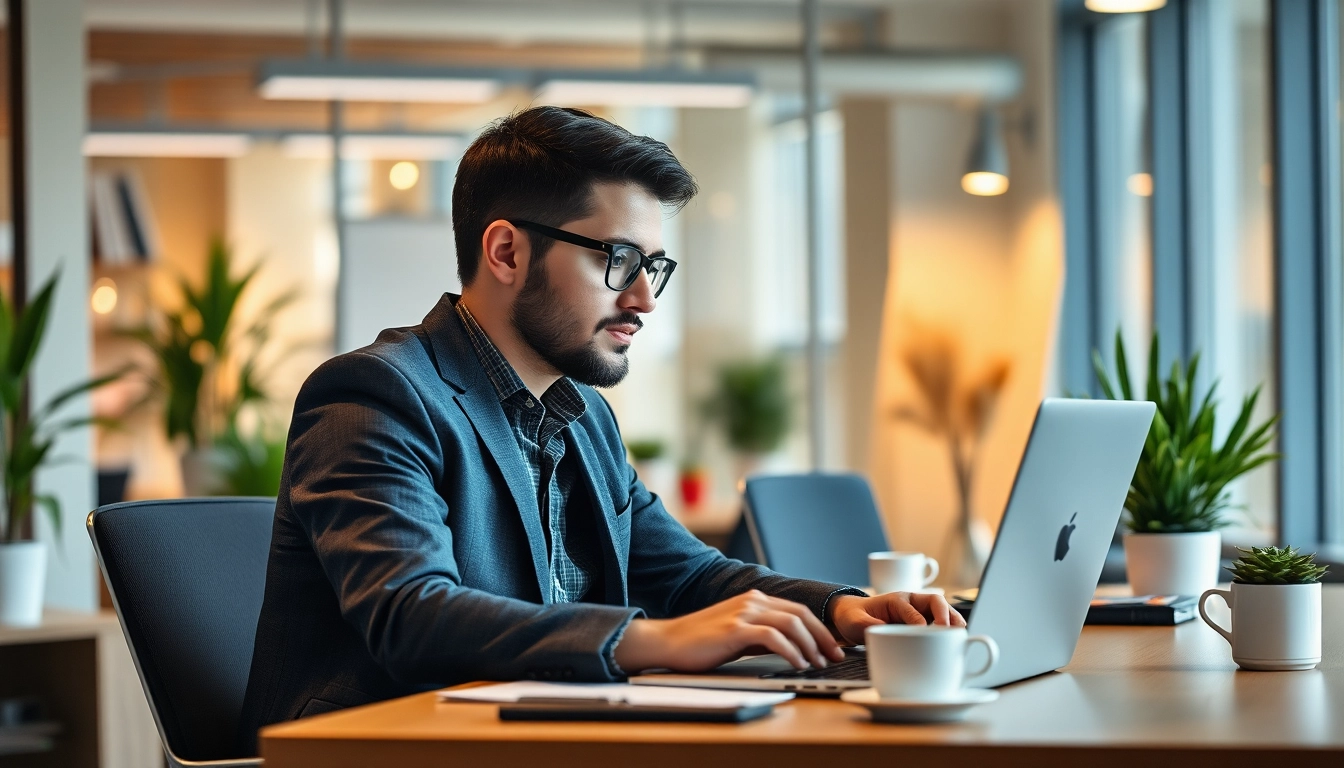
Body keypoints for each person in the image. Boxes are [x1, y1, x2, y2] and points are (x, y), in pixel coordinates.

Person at [237, 105, 962, 752]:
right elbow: (412, 614)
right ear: (507, 252)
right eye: (618, 260)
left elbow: (689, 575)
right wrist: (650, 640)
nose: (645, 298)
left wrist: (841, 610)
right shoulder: (377, 396)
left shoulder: (583, 417)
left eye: (654, 266)